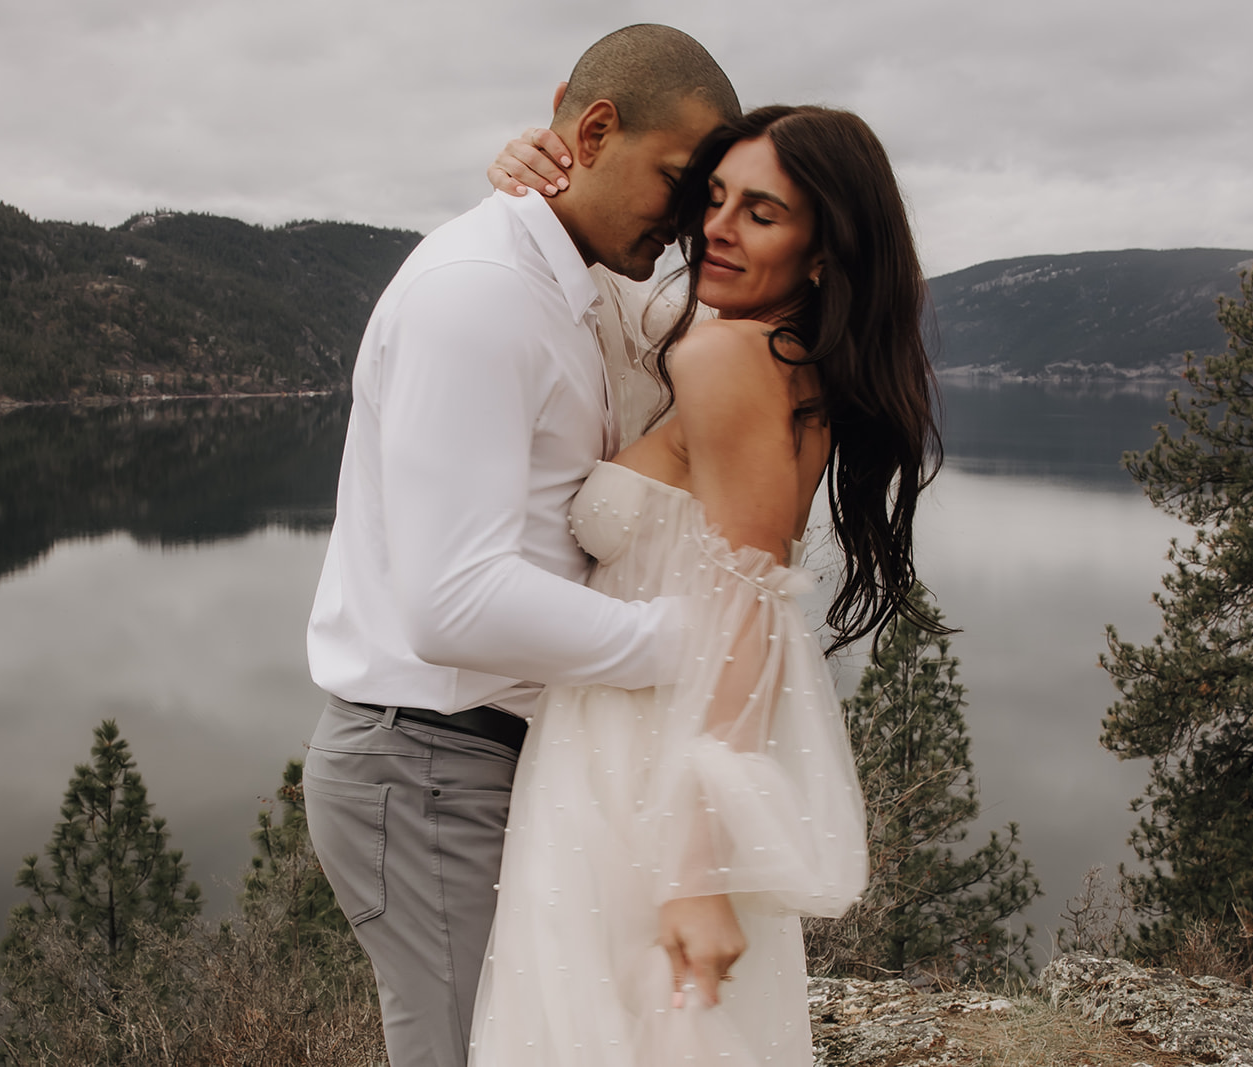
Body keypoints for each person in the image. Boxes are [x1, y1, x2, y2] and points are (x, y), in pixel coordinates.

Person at [301, 26, 740, 1067]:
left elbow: (713, 315)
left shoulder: (582, 286)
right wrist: (691, 644)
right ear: (592, 130)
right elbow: (454, 602)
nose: (687, 224)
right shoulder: (480, 292)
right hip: (427, 767)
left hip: (486, 759)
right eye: (679, 184)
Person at [469, 105, 940, 1065]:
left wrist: (695, 868)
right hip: (642, 751)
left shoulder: (727, 356)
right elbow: (603, 291)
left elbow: (753, 611)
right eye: (713, 197)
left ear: (823, 253)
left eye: (761, 213)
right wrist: (531, 175)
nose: (718, 226)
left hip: (633, 765)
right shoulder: (772, 354)